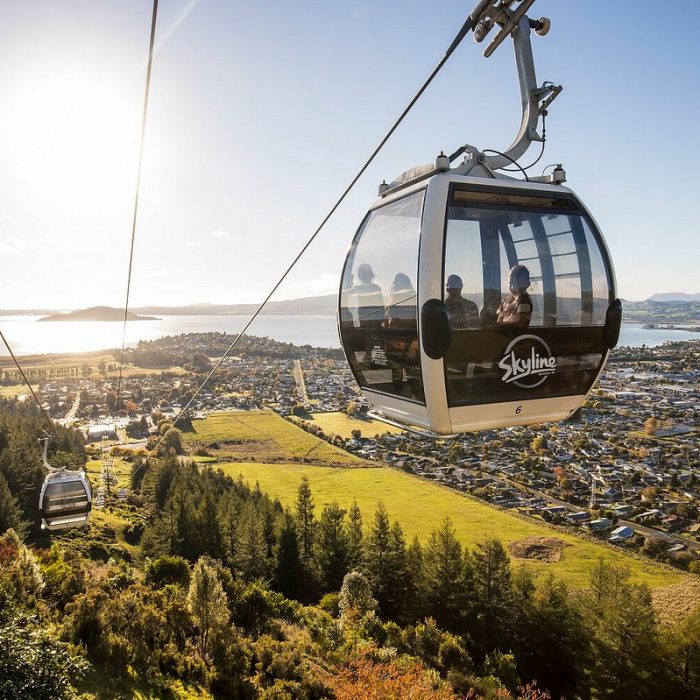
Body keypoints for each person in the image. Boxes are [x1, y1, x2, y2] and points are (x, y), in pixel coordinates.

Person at [353, 263, 385, 327]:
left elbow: (381, 308)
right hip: (371, 320)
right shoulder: (376, 288)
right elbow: (382, 308)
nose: (364, 275)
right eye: (363, 274)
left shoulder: (357, 289)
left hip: (366, 320)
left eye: (365, 273)